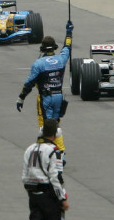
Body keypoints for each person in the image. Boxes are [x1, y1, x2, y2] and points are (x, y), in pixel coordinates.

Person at [17, 22, 73, 153]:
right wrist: (69, 32)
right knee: (56, 126)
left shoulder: (39, 63)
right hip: (58, 96)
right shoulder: (61, 59)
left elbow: (30, 82)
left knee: (45, 128)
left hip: (45, 98)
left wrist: (21, 98)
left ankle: (52, 153)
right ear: (54, 47)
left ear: (42, 48)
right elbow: (67, 46)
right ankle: (60, 153)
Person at [22, 119, 68, 220]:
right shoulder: (54, 151)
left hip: (33, 196)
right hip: (49, 196)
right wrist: (62, 198)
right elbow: (56, 177)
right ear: (55, 134)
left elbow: (24, 174)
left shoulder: (30, 149)